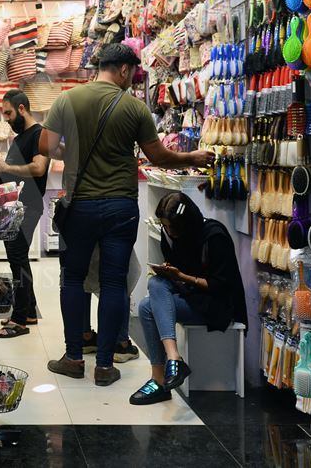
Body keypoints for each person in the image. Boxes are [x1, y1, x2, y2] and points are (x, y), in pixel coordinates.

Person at [39, 43, 214, 387]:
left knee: (72, 279)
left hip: (80, 205)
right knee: (113, 281)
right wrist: (192, 157)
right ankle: (105, 365)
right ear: (122, 69)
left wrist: (71, 150)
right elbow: (158, 157)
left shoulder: (67, 100)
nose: (132, 79)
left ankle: (74, 358)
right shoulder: (134, 108)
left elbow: (46, 146)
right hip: (120, 206)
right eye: (132, 73)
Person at [130, 192, 248, 405]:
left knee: (148, 305)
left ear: (186, 223)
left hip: (216, 304)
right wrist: (170, 273)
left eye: (172, 227)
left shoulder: (214, 236)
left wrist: (181, 277)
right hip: (190, 295)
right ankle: (168, 366)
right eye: (165, 226)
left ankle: (164, 372)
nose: (169, 231)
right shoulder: (169, 236)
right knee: (153, 289)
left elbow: (220, 286)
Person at [0, 89, 48, 338]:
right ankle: (29, 311)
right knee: (18, 257)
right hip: (17, 207)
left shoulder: (40, 134)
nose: (7, 119)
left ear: (22, 109)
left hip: (28, 207)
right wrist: (1, 169)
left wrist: (6, 166)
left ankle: (20, 320)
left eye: (9, 113)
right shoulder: (22, 136)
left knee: (17, 257)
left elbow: (38, 168)